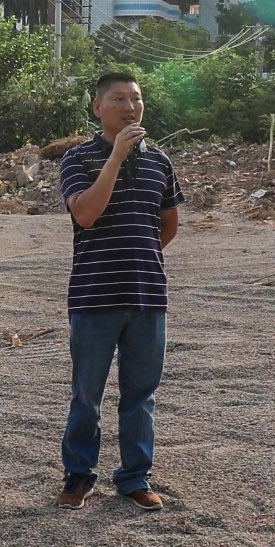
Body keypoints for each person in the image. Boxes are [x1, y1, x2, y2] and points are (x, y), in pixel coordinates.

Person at [57, 70, 185, 509]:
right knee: (87, 394)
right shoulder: (77, 160)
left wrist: (138, 255)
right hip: (94, 297)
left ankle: (134, 477)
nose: (130, 107)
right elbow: (86, 214)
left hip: (148, 296)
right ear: (98, 107)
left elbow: (167, 226)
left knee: (141, 395)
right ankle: (78, 477)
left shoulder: (161, 162)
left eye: (136, 99)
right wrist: (115, 158)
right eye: (118, 99)